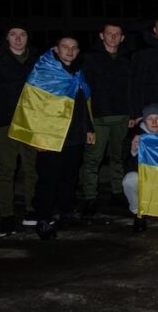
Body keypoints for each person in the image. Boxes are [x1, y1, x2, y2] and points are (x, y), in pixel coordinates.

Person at [9, 36, 95, 240]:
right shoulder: (43, 72)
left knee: (70, 178)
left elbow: (83, 104)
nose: (70, 51)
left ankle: (66, 212)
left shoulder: (78, 73)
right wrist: (38, 138)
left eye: (74, 48)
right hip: (50, 138)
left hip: (74, 136)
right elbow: (32, 107)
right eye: (65, 47)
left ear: (78, 51)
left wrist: (89, 129)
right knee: (48, 181)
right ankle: (43, 219)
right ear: (56, 49)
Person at [0, 22, 39, 236]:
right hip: (4, 124)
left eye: (22, 34)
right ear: (6, 38)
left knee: (32, 169)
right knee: (5, 170)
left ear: (28, 37)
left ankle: (31, 210)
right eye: (13, 34)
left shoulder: (37, 62)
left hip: (31, 124)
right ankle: (7, 216)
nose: (18, 38)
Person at [78, 21, 134, 219]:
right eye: (109, 33)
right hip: (98, 117)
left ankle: (117, 192)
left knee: (118, 157)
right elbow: (82, 89)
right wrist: (86, 120)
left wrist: (132, 114)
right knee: (93, 158)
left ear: (122, 38)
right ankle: (90, 197)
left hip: (122, 116)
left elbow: (131, 88)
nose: (113, 37)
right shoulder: (89, 58)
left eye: (117, 34)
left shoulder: (127, 59)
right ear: (102, 35)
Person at [122, 104, 158, 232]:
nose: (154, 122)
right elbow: (126, 166)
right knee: (130, 179)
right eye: (150, 119)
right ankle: (138, 212)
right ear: (144, 120)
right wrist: (134, 151)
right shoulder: (134, 136)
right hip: (146, 178)